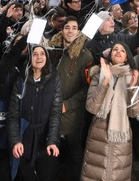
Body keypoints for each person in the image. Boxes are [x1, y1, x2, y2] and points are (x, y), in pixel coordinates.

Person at [82, 43, 139, 181]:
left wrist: (132, 88)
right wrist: (105, 81)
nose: (118, 52)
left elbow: (134, 113)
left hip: (121, 137)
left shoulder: (132, 77)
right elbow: (91, 107)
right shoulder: (98, 75)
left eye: (122, 50)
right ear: (110, 55)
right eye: (115, 49)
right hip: (98, 135)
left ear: (127, 57)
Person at [7, 45, 62, 181]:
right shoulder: (21, 82)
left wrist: (52, 140)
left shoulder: (54, 80)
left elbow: (55, 114)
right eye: (35, 54)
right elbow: (13, 116)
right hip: (24, 139)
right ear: (29, 58)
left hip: (45, 140)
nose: (39, 57)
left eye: (42, 53)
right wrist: (15, 141)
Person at [47, 16, 92, 181]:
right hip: (50, 110)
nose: (70, 31)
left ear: (78, 31)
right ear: (62, 29)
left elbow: (87, 88)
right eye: (67, 27)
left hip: (71, 114)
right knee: (52, 150)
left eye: (74, 27)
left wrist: (68, 104)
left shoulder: (85, 55)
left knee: (74, 151)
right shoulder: (52, 49)